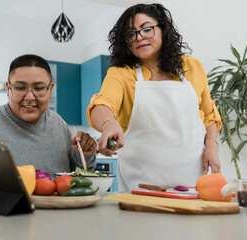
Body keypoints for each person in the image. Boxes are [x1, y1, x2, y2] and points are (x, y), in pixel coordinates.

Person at [87, 3, 222, 192]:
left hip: (195, 182)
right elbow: (101, 104)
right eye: (131, 33)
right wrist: (109, 123)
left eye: (146, 29)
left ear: (163, 29)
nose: (139, 37)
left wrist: (212, 147)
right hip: (141, 186)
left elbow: (209, 114)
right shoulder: (121, 74)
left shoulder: (192, 67)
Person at [0, 54, 97, 194]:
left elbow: (79, 180)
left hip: (59, 217)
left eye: (38, 88)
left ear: (50, 90)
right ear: (8, 89)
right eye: (20, 88)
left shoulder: (60, 125)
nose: (30, 97)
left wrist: (84, 154)